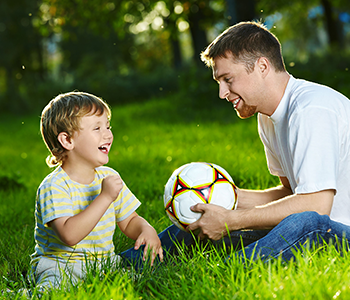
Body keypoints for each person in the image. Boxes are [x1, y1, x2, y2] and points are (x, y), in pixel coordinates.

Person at [175, 20, 350, 262]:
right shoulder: (268, 117)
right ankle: (123, 264)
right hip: (315, 223)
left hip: (336, 230)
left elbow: (317, 206)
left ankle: (230, 272)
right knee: (207, 212)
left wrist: (232, 220)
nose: (222, 93)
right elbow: (290, 193)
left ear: (262, 66)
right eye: (219, 83)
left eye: (228, 79)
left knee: (307, 223)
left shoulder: (311, 108)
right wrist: (223, 196)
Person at [30, 91, 164, 291]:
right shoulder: (54, 186)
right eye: (97, 128)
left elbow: (129, 220)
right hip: (60, 265)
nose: (108, 134)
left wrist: (146, 229)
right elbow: (69, 235)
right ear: (67, 140)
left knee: (142, 278)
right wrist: (105, 197)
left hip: (104, 264)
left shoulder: (108, 176)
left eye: (108, 126)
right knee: (53, 290)